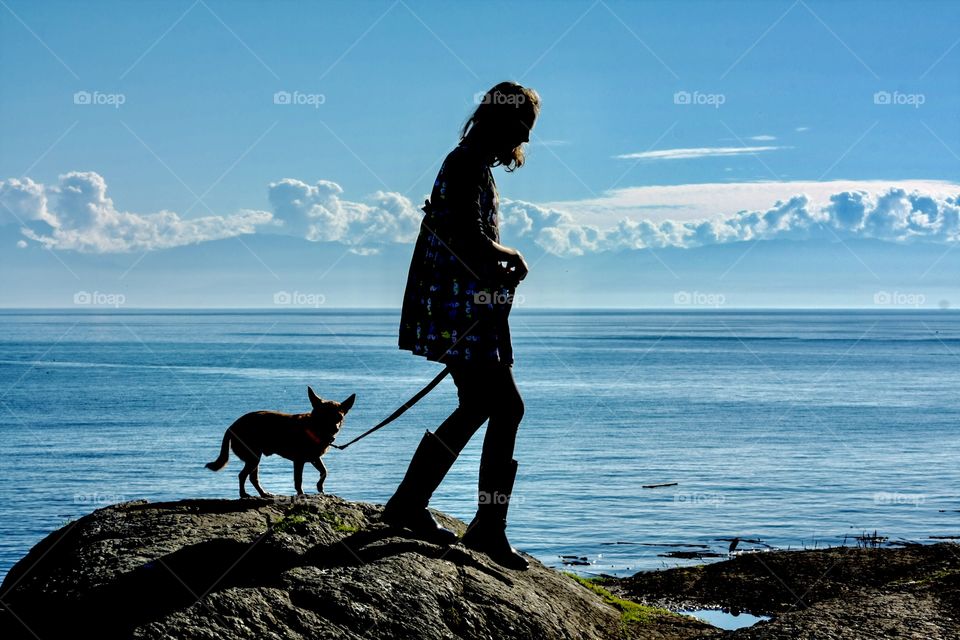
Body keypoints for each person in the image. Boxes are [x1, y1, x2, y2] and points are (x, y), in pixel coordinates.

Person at [383, 81, 540, 570]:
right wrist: (511, 253)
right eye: (522, 127)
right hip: (461, 310)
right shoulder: (466, 164)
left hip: (464, 307)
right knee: (505, 407)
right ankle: (485, 527)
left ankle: (411, 504)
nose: (526, 140)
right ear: (501, 121)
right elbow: (468, 238)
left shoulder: (467, 163)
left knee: (482, 406)